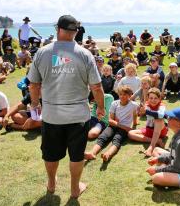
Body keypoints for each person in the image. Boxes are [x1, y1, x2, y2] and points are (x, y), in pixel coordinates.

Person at [27, 14, 105, 197]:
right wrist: (101, 108)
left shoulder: (42, 52)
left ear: (57, 29)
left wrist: (34, 104)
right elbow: (96, 86)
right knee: (77, 155)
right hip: (78, 115)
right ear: (76, 31)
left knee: (50, 153)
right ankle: (74, 189)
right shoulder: (85, 54)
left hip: (51, 115)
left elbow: (34, 84)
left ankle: (52, 183)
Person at [84, 86, 138, 162]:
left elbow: (135, 114)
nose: (122, 96)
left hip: (123, 129)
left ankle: (108, 154)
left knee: (117, 139)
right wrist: (125, 127)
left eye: (125, 95)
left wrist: (135, 123)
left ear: (130, 95)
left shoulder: (134, 105)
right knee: (103, 137)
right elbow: (110, 121)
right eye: (120, 94)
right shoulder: (114, 104)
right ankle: (92, 153)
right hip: (115, 126)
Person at [128, 87, 168, 156]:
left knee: (158, 119)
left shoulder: (161, 105)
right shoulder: (146, 104)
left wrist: (146, 111)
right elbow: (147, 115)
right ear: (148, 98)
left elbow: (161, 115)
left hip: (161, 131)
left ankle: (151, 146)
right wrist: (140, 112)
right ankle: (157, 141)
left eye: (155, 98)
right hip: (149, 129)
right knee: (130, 133)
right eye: (151, 98)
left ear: (159, 99)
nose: (153, 100)